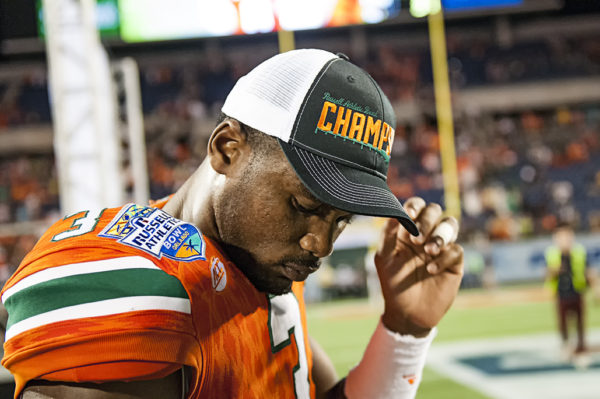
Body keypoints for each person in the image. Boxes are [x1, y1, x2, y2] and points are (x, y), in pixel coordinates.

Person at [1, 49, 463, 399]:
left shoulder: (259, 259)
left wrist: (404, 332)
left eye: (340, 220)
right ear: (226, 149)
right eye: (303, 205)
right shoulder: (134, 288)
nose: (319, 244)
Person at [545, 222, 589, 359]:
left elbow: (586, 270)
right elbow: (548, 273)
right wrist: (555, 270)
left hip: (577, 290)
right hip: (561, 292)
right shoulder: (552, 253)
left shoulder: (579, 251)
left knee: (580, 322)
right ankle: (565, 345)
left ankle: (581, 347)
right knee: (563, 321)